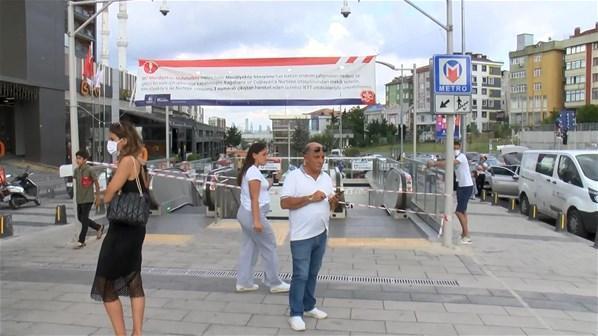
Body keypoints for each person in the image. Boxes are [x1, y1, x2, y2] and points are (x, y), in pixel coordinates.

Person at [91, 121, 148, 336]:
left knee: (104, 282)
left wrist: (104, 197)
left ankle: (121, 334)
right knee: (133, 277)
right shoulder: (139, 161)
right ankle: (138, 332)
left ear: (123, 141)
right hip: (135, 228)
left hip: (122, 230)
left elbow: (112, 191)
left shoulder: (126, 161)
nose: (110, 143)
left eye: (112, 139)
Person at [281, 142, 340, 331]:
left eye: (323, 157)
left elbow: (332, 207)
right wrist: (309, 198)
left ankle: (309, 306)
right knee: (301, 275)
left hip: (321, 232)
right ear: (305, 158)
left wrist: (334, 202)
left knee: (313, 273)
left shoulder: (326, 178)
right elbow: (284, 203)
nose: (321, 160)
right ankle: (295, 313)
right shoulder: (294, 177)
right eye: (317, 157)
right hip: (301, 236)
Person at [235, 142, 290, 294]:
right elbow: (254, 198)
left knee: (249, 248)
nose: (267, 157)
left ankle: (244, 282)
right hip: (254, 214)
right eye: (264, 154)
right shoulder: (253, 172)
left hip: (247, 214)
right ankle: (274, 282)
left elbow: (261, 190)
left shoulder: (252, 171)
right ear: (254, 155)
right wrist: (257, 221)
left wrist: (273, 180)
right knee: (269, 245)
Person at [428, 141, 474, 244]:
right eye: (453, 148)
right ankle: (464, 233)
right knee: (463, 211)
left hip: (466, 186)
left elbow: (449, 163)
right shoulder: (454, 157)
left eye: (456, 147)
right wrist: (435, 161)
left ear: (460, 147)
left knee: (458, 212)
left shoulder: (461, 157)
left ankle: (467, 235)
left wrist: (434, 164)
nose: (455, 149)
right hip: (461, 186)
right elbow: (445, 162)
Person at [73, 149, 104, 249]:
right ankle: (98, 227)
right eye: (77, 158)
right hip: (79, 198)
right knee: (80, 218)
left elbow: (96, 183)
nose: (78, 160)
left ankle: (81, 240)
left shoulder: (90, 170)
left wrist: (98, 196)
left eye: (80, 158)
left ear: (85, 160)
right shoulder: (76, 171)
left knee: (84, 219)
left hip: (88, 198)